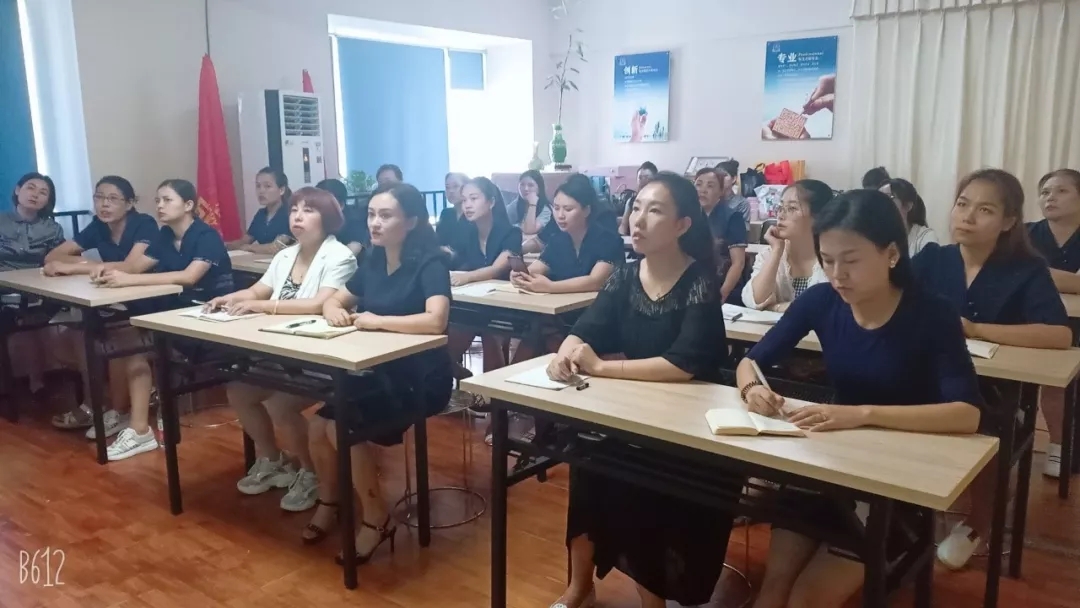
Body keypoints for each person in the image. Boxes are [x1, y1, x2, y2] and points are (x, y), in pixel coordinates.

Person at [738, 189, 984, 608]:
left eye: (851, 261)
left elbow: (966, 414)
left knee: (805, 602)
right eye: (827, 260)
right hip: (832, 465)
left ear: (892, 254)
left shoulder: (931, 313)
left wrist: (863, 414)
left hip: (897, 481)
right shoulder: (822, 300)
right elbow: (751, 361)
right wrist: (752, 388)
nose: (837, 275)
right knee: (772, 589)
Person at [546, 171, 734, 608]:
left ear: (682, 225)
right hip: (635, 409)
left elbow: (683, 365)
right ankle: (579, 588)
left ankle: (654, 601)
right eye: (637, 208)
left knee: (644, 489)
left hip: (689, 426)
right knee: (587, 462)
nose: (638, 219)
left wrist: (601, 368)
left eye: (655, 211)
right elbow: (586, 328)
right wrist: (564, 354)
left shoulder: (699, 281)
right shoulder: (625, 277)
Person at [912, 169, 1071, 568]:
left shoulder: (1025, 268)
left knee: (983, 418)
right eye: (962, 204)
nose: (967, 216)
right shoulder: (933, 259)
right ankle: (895, 503)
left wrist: (978, 329)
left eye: (984, 210)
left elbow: (1058, 334)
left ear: (1008, 221)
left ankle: (979, 521)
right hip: (926, 374)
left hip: (994, 386)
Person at [310, 182, 452, 557]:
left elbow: (436, 320)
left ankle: (376, 518)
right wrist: (334, 310)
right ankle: (329, 501)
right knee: (317, 426)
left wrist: (378, 321)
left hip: (420, 378)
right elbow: (335, 300)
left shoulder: (431, 263)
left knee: (341, 427)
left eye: (385, 216)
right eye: (372, 214)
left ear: (412, 221)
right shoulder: (373, 260)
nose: (375, 223)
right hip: (377, 371)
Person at [204, 187, 356, 511]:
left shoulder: (340, 256)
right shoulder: (285, 255)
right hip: (279, 349)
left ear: (327, 218)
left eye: (308, 210)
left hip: (316, 354)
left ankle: (311, 473)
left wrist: (263, 307)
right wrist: (229, 299)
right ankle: (273, 459)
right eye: (294, 210)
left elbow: (318, 304)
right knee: (239, 391)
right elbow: (258, 290)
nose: (298, 216)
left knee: (279, 405)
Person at [95, 179, 234, 461]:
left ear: (188, 205)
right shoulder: (165, 235)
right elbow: (136, 267)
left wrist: (129, 280)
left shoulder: (206, 236)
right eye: (157, 200)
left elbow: (189, 277)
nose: (160, 206)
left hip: (208, 317)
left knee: (137, 346)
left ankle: (139, 428)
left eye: (167, 200)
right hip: (175, 312)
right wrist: (105, 271)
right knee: (128, 337)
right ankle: (134, 422)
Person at [43, 176, 158, 438]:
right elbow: (53, 256)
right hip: (114, 298)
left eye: (113, 199)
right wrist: (89, 266)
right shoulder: (98, 226)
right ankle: (99, 405)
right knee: (74, 334)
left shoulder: (144, 224)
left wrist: (73, 267)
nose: (104, 204)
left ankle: (116, 409)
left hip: (149, 299)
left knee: (115, 338)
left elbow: (130, 266)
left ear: (129, 203)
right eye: (99, 197)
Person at [1026, 169, 1080, 477]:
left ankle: (1065, 445)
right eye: (1045, 192)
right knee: (1051, 379)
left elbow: (1031, 274)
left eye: (1061, 191)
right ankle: (1057, 444)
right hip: (1033, 320)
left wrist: (1039, 274)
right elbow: (1015, 273)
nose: (1050, 197)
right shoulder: (1026, 234)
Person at [446, 177, 521, 372]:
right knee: (451, 329)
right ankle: (454, 371)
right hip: (474, 304)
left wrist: (467, 277)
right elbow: (456, 260)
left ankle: (493, 388)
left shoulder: (511, 233)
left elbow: (497, 269)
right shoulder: (467, 233)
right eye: (464, 200)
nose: (467, 205)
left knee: (490, 332)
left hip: (506, 307)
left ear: (491, 202)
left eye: (474, 198)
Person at [2, 172, 65, 398]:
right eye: (30, 187)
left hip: (37, 289)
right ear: (17, 190)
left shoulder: (53, 229)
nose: (35, 194)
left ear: (48, 200)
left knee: (34, 315)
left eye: (43, 192)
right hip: (3, 287)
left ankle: (36, 382)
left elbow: (60, 260)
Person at [741, 180, 832, 311]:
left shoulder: (834, 258)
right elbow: (754, 301)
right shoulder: (769, 254)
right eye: (780, 207)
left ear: (818, 216)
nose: (781, 215)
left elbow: (830, 308)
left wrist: (776, 307)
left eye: (792, 208)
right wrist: (777, 251)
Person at [695, 168, 747, 303]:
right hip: (695, 290)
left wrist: (722, 295)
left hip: (725, 290)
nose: (702, 190)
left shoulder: (732, 217)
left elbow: (738, 263)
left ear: (721, 191)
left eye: (710, 186)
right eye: (698, 184)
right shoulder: (689, 218)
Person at [228, 167, 293, 254]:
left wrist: (249, 248)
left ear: (281, 190)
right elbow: (245, 240)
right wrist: (225, 245)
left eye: (267, 186)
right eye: (258, 186)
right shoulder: (260, 214)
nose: (261, 191)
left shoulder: (290, 214)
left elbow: (278, 247)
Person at [879, 178, 937, 256]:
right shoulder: (876, 237)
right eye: (879, 199)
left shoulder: (926, 237)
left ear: (907, 206)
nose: (881, 205)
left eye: (888, 198)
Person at [316, 178, 365, 255]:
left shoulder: (355, 223)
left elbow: (352, 250)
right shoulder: (313, 220)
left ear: (341, 205)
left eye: (325, 204)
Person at [508, 170, 552, 253]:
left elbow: (529, 230)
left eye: (530, 185)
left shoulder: (546, 209)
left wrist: (532, 204)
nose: (526, 188)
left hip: (535, 247)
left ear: (539, 188)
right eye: (522, 184)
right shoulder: (515, 205)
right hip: (516, 243)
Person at [618, 161, 658, 235]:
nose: (643, 180)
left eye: (647, 177)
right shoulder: (631, 201)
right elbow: (623, 227)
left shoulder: (659, 202)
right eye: (640, 177)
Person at [436, 172, 470, 248]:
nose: (451, 191)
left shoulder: (473, 215)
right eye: (447, 187)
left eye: (455, 186)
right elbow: (438, 241)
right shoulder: (446, 214)